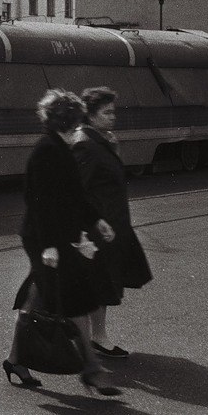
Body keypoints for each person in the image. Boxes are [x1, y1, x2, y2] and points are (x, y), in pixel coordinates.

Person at [4, 88, 119, 397]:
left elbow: (75, 197)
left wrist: (97, 220)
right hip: (46, 239)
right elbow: (39, 203)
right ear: (66, 123)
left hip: (56, 236)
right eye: (76, 123)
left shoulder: (60, 148)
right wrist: (49, 247)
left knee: (35, 300)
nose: (79, 129)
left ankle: (15, 361)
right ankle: (92, 370)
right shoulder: (47, 151)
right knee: (77, 301)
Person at [72, 87, 152, 360]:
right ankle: (96, 339)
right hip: (99, 228)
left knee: (102, 282)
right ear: (91, 116)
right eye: (106, 113)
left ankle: (94, 338)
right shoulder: (85, 144)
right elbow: (78, 190)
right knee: (98, 284)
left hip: (110, 224)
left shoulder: (100, 140)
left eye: (112, 111)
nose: (112, 117)